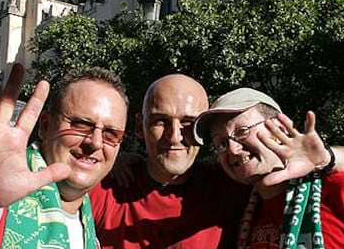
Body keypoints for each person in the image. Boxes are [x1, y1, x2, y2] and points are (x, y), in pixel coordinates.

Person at [0, 61, 129, 249]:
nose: (95, 142)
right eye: (81, 125)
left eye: (111, 134)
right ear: (45, 126)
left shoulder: (90, 234)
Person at [89, 74, 250, 248]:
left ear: (204, 130)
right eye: (161, 121)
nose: (174, 136)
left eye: (188, 123)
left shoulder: (232, 186)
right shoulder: (105, 188)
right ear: (139, 126)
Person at [193, 87, 344, 248]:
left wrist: (327, 158)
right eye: (221, 143)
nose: (232, 149)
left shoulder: (331, 186)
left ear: (279, 128)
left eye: (242, 131)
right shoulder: (239, 208)